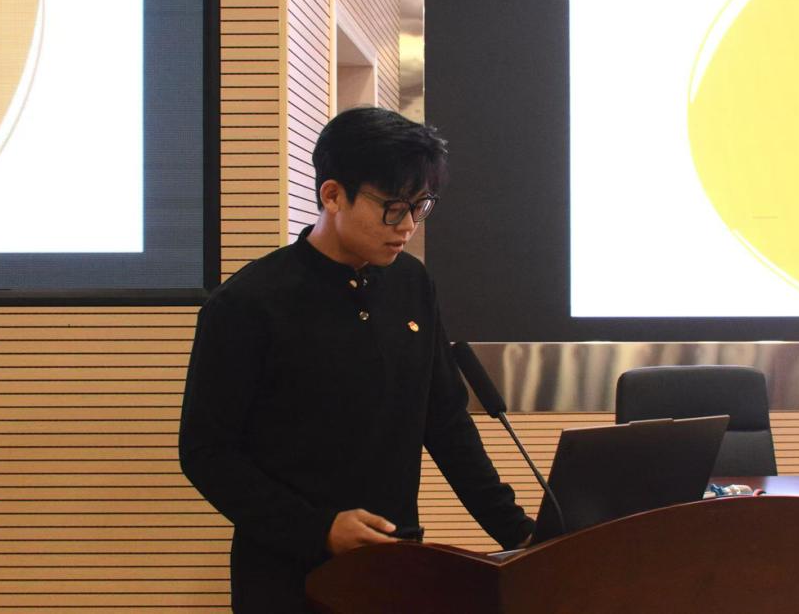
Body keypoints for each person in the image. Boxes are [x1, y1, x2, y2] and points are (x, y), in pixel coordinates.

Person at [179, 107, 534, 613]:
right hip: (287, 578)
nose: (406, 226)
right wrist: (317, 529)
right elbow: (206, 452)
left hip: (394, 566)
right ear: (332, 195)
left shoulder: (411, 284)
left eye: (419, 206)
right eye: (392, 208)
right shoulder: (248, 303)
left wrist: (521, 536)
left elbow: (446, 423)